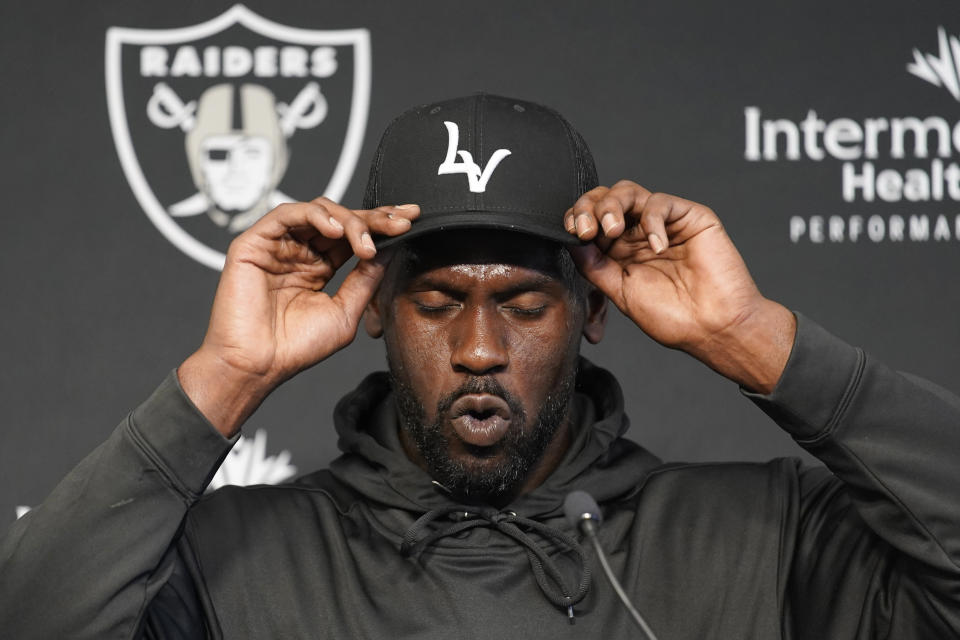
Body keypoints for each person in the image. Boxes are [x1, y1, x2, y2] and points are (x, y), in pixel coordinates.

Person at [2, 93, 958, 639]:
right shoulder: (232, 557)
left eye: (526, 303)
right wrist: (226, 377)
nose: (479, 350)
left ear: (594, 310)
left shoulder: (765, 537)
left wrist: (754, 340)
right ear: (373, 306)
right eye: (436, 301)